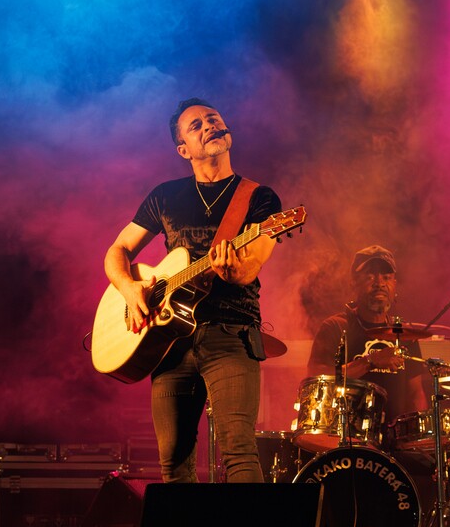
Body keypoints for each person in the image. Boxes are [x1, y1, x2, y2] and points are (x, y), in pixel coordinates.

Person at [103, 99, 279, 482]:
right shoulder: (165, 196)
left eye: (213, 118)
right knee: (174, 463)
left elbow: (253, 264)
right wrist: (129, 288)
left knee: (239, 452)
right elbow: (118, 251)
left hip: (231, 335)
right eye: (196, 125)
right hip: (170, 343)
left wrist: (234, 270)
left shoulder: (259, 198)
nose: (208, 125)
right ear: (184, 150)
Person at [306, 244, 431, 423]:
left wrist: (420, 432)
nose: (379, 283)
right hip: (344, 433)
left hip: (394, 436)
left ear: (394, 285)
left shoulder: (404, 334)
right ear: (353, 283)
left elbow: (416, 393)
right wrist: (370, 361)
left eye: (386, 277)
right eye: (370, 276)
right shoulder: (335, 327)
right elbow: (316, 378)